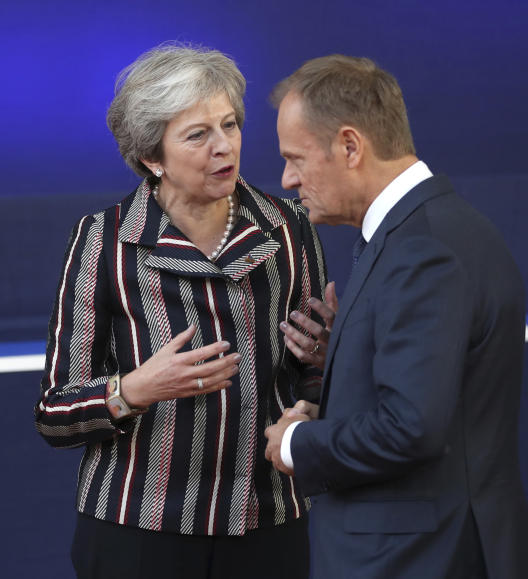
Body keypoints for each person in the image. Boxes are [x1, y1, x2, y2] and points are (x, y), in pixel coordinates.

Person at [34, 43, 328, 579]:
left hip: (267, 521)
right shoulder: (104, 241)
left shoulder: (290, 227)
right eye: (198, 134)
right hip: (138, 529)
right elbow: (54, 414)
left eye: (230, 124)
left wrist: (315, 395)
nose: (225, 147)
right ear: (152, 156)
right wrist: (134, 389)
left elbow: (314, 369)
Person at [264, 54, 528, 578]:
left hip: (415, 561)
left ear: (349, 146)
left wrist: (295, 443)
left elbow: (411, 428)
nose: (287, 179)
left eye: (296, 158)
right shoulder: (427, 233)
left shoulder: (421, 252)